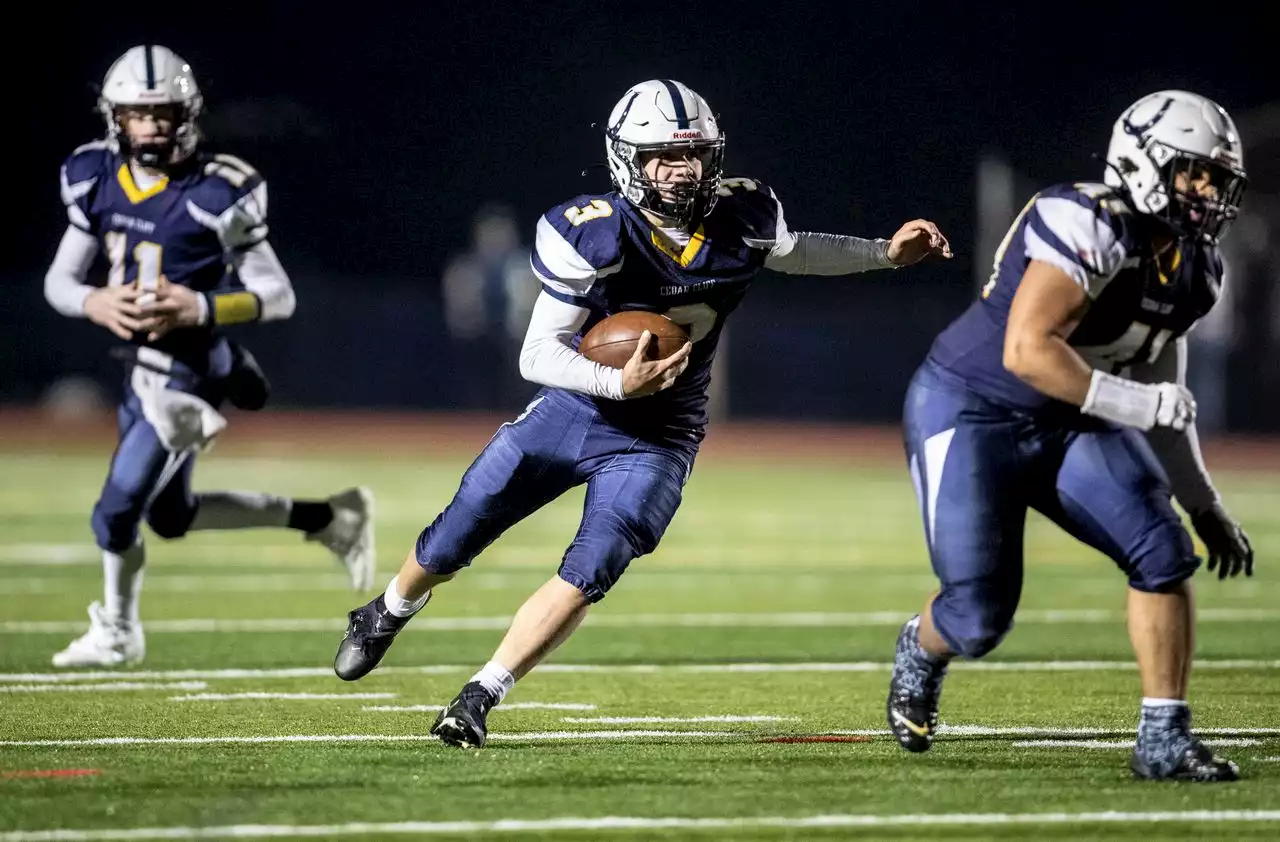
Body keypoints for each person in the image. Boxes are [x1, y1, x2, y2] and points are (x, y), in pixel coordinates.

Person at [332, 78, 951, 748]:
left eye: (693, 154)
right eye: (662, 155)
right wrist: (611, 380)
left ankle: (480, 696)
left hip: (661, 436)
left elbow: (796, 250)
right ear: (627, 159)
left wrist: (884, 254)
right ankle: (386, 612)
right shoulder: (594, 232)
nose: (682, 170)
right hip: (576, 407)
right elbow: (536, 353)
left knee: (590, 569)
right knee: (460, 531)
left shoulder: (745, 213)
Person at [885, 90, 1254, 782]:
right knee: (979, 615)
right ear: (1144, 165)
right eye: (1193, 173)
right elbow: (1028, 350)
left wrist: (1204, 504)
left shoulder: (1196, 268)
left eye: (1216, 178)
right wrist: (1135, 403)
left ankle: (1164, 738)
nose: (1208, 192)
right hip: (972, 409)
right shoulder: (1088, 218)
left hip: (1070, 417)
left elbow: (1159, 392)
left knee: (1164, 550)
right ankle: (923, 646)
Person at [43, 45, 376, 668]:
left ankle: (117, 631)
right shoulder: (93, 177)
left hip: (190, 362)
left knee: (115, 514)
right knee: (172, 517)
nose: (151, 127)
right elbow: (59, 282)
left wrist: (196, 306)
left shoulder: (217, 189)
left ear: (188, 113)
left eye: (164, 113)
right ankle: (330, 516)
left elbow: (278, 295)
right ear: (115, 117)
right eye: (138, 115)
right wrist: (95, 302)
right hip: (140, 366)